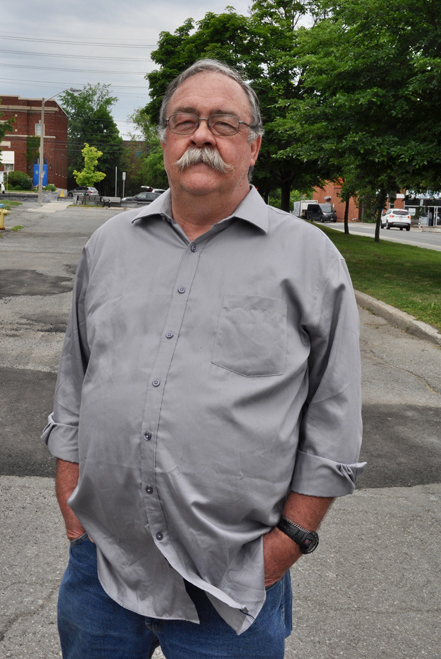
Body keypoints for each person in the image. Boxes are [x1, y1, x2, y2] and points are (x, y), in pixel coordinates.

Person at [42, 59, 365, 659]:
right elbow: (75, 381)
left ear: (253, 146)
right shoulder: (108, 245)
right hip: (101, 568)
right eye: (185, 120)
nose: (201, 135)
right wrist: (71, 507)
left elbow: (333, 415)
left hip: (233, 580)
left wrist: (289, 541)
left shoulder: (310, 259)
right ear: (165, 138)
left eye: (224, 122)